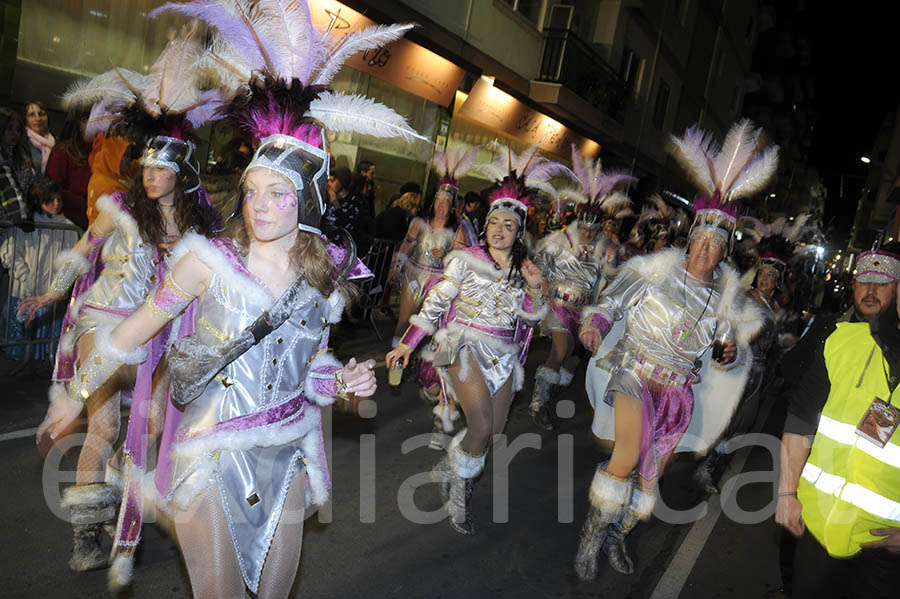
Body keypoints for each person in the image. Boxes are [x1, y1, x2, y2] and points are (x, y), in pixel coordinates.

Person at [42, 2, 420, 594]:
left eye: (277, 193)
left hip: (287, 453)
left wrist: (343, 384)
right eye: (251, 191)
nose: (259, 205)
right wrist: (76, 394)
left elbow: (310, 370)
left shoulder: (324, 285)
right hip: (209, 452)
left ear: (309, 203)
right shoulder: (205, 261)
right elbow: (130, 332)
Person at [19, 24, 221, 572]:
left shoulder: (192, 233)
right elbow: (81, 251)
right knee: (106, 425)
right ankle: (86, 533)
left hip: (153, 336)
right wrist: (49, 293)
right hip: (103, 322)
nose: (150, 174)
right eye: (146, 165)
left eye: (161, 167)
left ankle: (115, 492)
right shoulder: (115, 207)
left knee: (152, 425)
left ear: (181, 173)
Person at [575, 120, 776, 579]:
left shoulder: (724, 300)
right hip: (634, 372)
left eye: (716, 243)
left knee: (652, 477)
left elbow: (729, 349)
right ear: (691, 240)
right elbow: (609, 302)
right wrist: (595, 325)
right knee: (625, 456)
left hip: (677, 392)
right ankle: (590, 538)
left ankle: (615, 536)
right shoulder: (652, 270)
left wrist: (728, 354)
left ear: (724, 251)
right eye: (701, 239)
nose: (706, 249)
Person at [387, 144, 565, 534]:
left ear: (519, 232)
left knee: (494, 434)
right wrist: (407, 342)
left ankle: (453, 466)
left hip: (504, 356)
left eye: (510, 226)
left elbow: (533, 318)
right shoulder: (465, 259)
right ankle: (459, 495)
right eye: (495, 222)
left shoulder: (525, 269)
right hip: (464, 346)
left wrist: (536, 288)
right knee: (481, 427)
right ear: (485, 223)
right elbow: (436, 302)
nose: (500, 230)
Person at [776, 246, 900, 599]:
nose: (871, 291)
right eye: (864, 281)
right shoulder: (839, 337)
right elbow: (800, 416)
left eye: (883, 283)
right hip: (817, 525)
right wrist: (787, 493)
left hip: (882, 544)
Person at [693, 215, 810, 494]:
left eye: (772, 277)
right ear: (757, 275)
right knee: (726, 418)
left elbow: (780, 343)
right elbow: (725, 326)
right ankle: (702, 466)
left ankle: (709, 466)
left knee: (742, 423)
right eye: (764, 274)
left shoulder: (779, 308)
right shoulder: (744, 298)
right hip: (736, 368)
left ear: (778, 282)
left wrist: (787, 344)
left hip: (759, 374)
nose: (767, 279)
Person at [529, 145, 635, 430]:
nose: (587, 233)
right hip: (558, 305)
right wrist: (546, 284)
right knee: (560, 350)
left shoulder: (606, 251)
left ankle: (549, 395)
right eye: (584, 227)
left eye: (593, 229)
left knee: (572, 363)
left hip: (583, 311)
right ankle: (537, 402)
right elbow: (537, 265)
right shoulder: (558, 241)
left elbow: (610, 283)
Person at [0, 177, 80, 361]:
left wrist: (61, 284)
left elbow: (72, 260)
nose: (56, 203)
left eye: (59, 199)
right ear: (39, 201)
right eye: (50, 200)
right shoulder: (26, 226)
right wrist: (23, 275)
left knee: (46, 338)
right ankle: (23, 364)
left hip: (50, 296)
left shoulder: (68, 227)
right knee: (21, 338)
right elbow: (9, 250)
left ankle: (41, 362)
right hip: (25, 291)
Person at [46, 111, 91, 230]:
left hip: (87, 219)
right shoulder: (62, 153)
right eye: (89, 120)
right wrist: (82, 203)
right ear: (80, 124)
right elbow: (52, 187)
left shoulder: (95, 151)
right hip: (68, 222)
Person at [1, 107, 37, 224]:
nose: (15, 134)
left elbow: (28, 189)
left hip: (15, 222)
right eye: (10, 129)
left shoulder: (24, 158)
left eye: (18, 130)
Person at [24, 100, 55, 174]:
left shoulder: (56, 141)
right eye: (32, 115)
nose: (38, 119)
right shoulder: (22, 142)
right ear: (26, 120)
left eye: (41, 114)